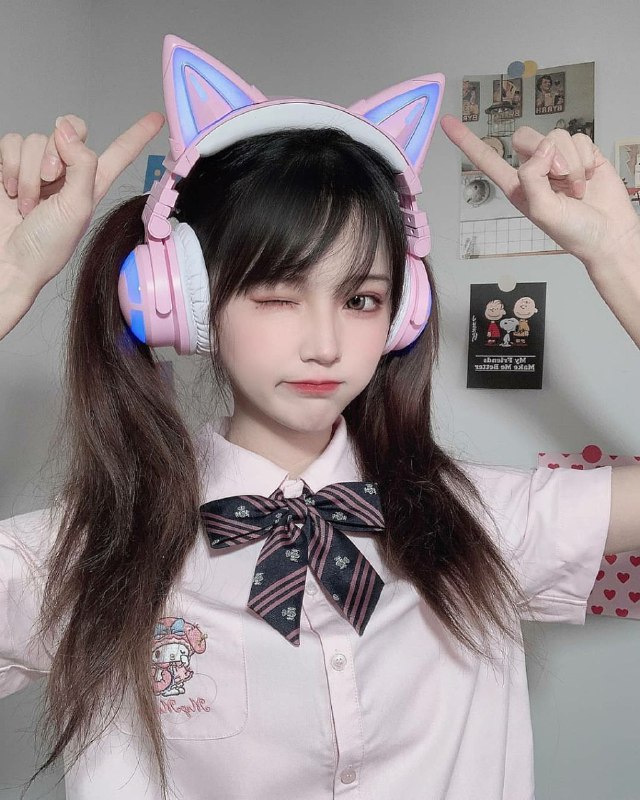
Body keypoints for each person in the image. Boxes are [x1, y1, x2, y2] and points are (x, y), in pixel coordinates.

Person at [0, 35, 638, 800]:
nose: (326, 343)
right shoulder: (90, 553)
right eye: (277, 295)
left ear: (403, 314)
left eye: (361, 298)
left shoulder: (478, 522)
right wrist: (5, 284)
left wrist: (622, 257)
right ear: (185, 303)